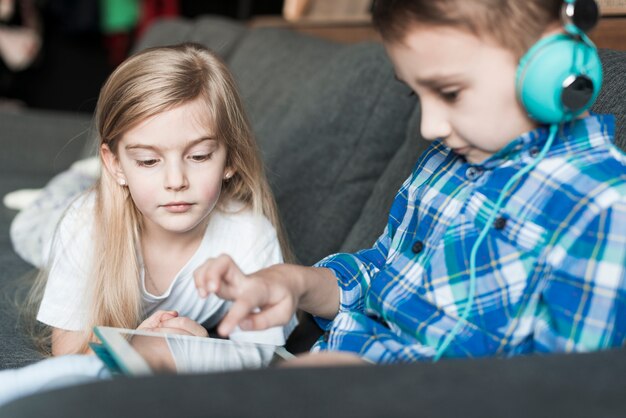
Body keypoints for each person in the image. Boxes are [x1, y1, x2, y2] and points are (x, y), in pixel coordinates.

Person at [194, 0, 626, 366]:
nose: (431, 125)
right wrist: (292, 283)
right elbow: (378, 276)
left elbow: (569, 394)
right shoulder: (446, 160)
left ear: (553, 70)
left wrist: (384, 388)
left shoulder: (602, 209)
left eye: (451, 93)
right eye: (415, 94)